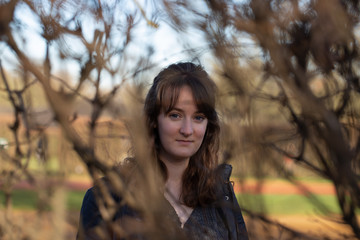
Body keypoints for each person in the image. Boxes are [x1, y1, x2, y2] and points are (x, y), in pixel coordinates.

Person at [77, 62, 248, 240]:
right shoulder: (107, 198)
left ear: (208, 126)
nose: (187, 130)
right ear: (153, 120)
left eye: (198, 117)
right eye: (175, 115)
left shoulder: (221, 198)